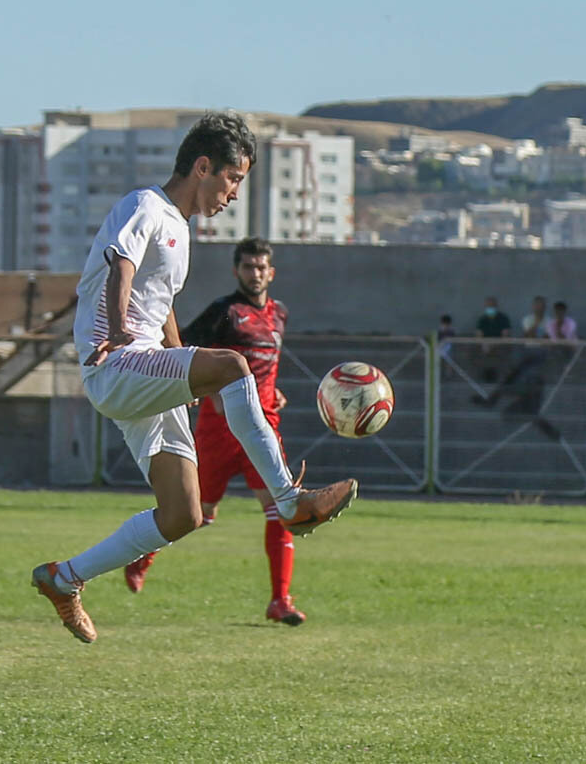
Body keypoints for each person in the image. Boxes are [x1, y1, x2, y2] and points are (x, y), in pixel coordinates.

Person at [29, 112, 357, 645]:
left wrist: (183, 370)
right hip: (116, 362)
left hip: (145, 374)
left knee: (183, 513)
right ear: (203, 166)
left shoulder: (180, 228)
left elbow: (162, 307)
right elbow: (121, 266)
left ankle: (64, 578)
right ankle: (290, 501)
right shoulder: (145, 206)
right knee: (234, 364)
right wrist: (117, 335)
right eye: (233, 179)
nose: (233, 194)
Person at [122, 237, 307, 625]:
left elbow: (264, 369)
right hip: (219, 430)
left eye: (261, 267)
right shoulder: (224, 312)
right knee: (197, 511)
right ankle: (143, 555)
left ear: (271, 272)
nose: (255, 273)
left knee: (280, 510)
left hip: (265, 425)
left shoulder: (280, 313)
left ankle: (280, 600)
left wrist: (276, 393)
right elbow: (183, 351)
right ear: (236, 271)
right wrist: (207, 392)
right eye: (247, 267)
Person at [475, 296, 511, 382]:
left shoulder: (503, 318)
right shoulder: (482, 319)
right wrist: (486, 345)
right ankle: (484, 378)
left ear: (496, 306)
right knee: (481, 352)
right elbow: (478, 336)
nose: (490, 308)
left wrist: (494, 345)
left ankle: (503, 379)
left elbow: (505, 335)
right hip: (485, 347)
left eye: (492, 306)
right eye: (488, 306)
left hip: (500, 346)